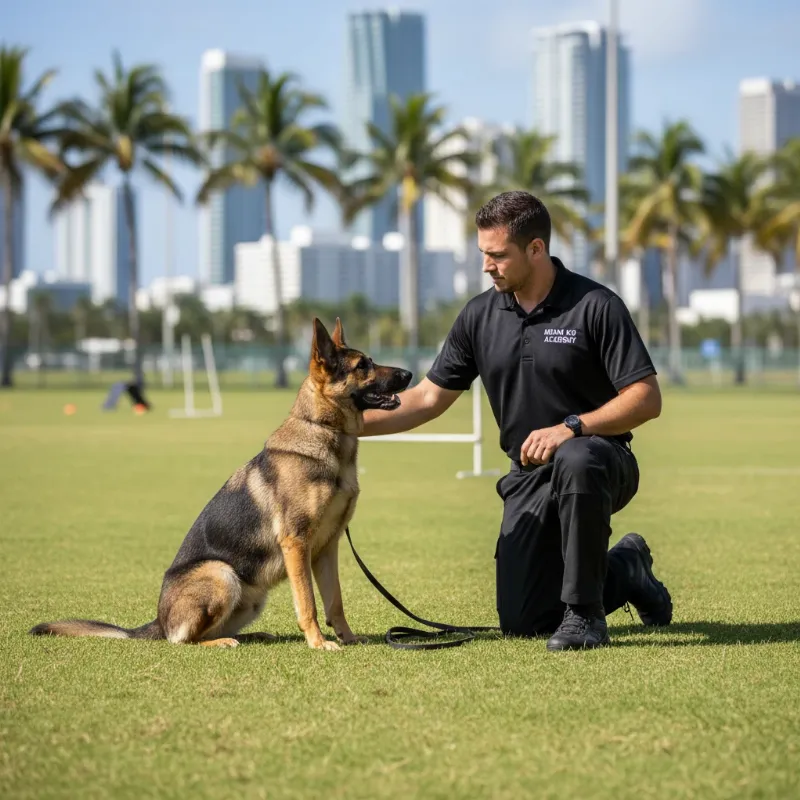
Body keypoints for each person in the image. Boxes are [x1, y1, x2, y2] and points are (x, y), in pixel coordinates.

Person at [361, 191, 672, 651]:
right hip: (528, 476)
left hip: (602, 461)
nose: (487, 265)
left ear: (536, 249)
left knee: (577, 457)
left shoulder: (595, 305)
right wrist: (341, 423)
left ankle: (586, 619)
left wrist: (572, 426)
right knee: (523, 619)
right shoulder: (478, 316)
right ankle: (626, 569)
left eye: (497, 255)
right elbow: (427, 398)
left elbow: (646, 398)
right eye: (483, 254)